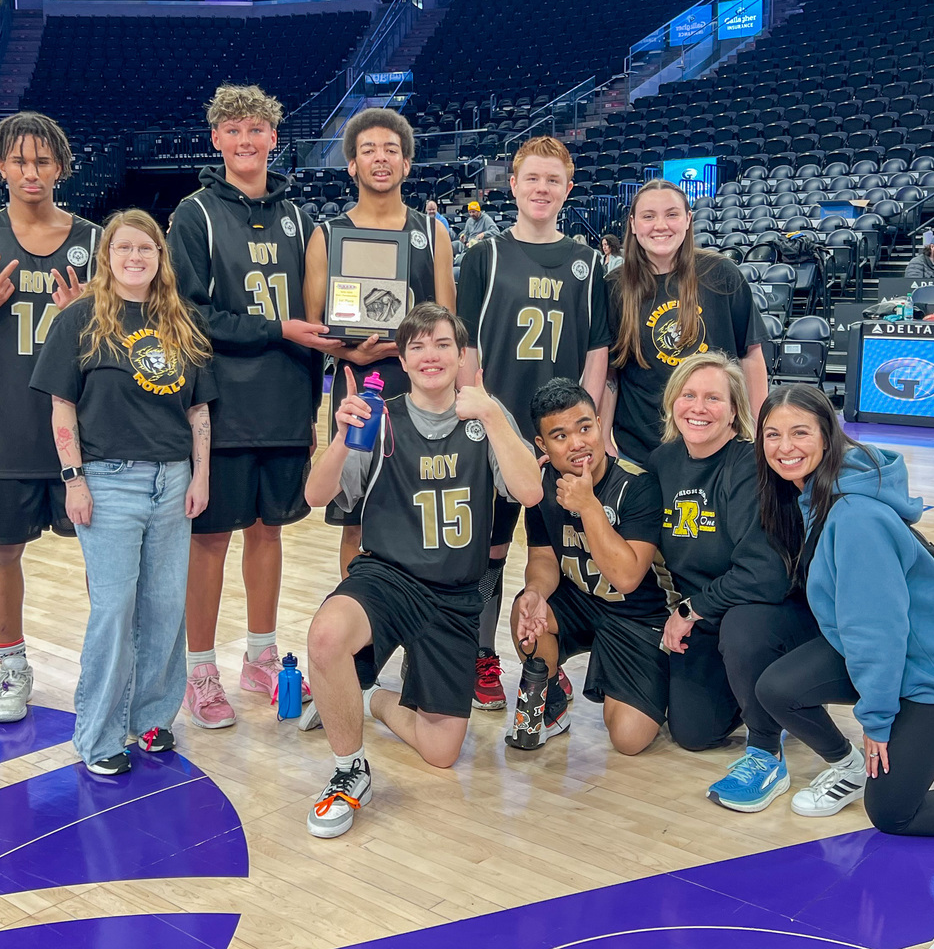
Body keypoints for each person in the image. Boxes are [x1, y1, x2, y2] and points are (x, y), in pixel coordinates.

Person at [301, 303, 542, 839]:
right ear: (403, 362)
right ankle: (349, 770)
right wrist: (340, 433)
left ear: (461, 357)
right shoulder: (380, 417)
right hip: (388, 577)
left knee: (441, 752)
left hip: (456, 594)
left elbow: (529, 491)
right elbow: (317, 496)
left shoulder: (484, 420)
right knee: (325, 636)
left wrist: (495, 414)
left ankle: (368, 696)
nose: (430, 354)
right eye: (417, 346)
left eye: (441, 344)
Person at [168, 84, 339, 730]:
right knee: (210, 537)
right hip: (221, 404)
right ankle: (201, 669)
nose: (245, 140)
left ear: (274, 139)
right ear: (216, 139)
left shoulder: (299, 217)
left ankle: (260, 655)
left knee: (268, 532)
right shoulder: (195, 213)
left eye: (257, 130)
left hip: (286, 399)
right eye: (233, 130)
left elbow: (318, 308)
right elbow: (188, 314)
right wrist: (277, 330)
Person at [30, 210, 214, 775]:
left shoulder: (179, 321)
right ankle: (100, 734)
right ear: (107, 255)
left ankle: (153, 717)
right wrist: (73, 478)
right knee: (113, 609)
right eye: (124, 248)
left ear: (161, 257)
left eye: (147, 248)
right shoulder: (81, 319)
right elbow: (62, 404)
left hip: (173, 480)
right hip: (108, 481)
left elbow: (198, 408)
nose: (135, 257)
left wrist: (200, 474)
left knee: (164, 607)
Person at [754, 384, 934, 834]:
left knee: (892, 812)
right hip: (903, 656)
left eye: (799, 432)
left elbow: (878, 631)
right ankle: (849, 767)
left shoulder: (854, 518)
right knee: (778, 688)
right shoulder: (818, 493)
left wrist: (877, 720)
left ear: (828, 438)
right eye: (772, 435)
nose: (785, 447)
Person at [0, 111, 100, 723]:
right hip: (7, 421)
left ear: (61, 166)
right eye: (19, 160)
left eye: (42, 161)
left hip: (82, 427)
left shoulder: (93, 239)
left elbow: (122, 333)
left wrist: (87, 313)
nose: (30, 172)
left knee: (99, 554)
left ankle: (104, 662)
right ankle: (12, 664)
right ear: (0, 166)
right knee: (4, 549)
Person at [457, 135, 610, 709]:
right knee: (490, 553)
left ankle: (550, 658)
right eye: (532, 179)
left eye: (553, 180)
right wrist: (477, 413)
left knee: (560, 551)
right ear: (513, 185)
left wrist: (583, 433)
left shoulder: (587, 262)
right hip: (500, 434)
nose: (542, 189)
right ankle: (481, 656)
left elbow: (596, 351)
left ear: (567, 189)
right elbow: (466, 344)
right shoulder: (486, 255)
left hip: (559, 439)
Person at [646, 352, 819, 812]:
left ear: (735, 410)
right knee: (693, 732)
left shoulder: (748, 465)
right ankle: (761, 692)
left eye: (713, 398)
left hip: (766, 611)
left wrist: (689, 610)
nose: (698, 408)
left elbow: (764, 575)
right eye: (689, 395)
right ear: (672, 402)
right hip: (704, 615)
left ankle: (766, 744)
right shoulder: (661, 462)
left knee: (743, 628)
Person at [303, 107, 455, 577]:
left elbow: (449, 325)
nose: (381, 158)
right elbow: (314, 328)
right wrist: (352, 352)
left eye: (391, 149)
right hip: (359, 390)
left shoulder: (433, 233)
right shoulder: (327, 236)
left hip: (425, 394)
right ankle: (364, 640)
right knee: (357, 521)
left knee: (422, 512)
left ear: (407, 164)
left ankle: (421, 640)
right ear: (351, 164)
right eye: (368, 149)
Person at [512, 378, 668, 754]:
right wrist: (535, 590)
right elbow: (545, 558)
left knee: (629, 741)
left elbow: (628, 577)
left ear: (600, 424)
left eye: (584, 427)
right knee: (526, 610)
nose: (577, 443)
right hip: (582, 601)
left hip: (638, 616)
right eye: (560, 435)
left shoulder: (639, 485)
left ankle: (659, 681)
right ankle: (552, 697)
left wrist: (588, 506)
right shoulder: (541, 485)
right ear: (542, 445)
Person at [603, 179, 767, 468]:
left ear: (688, 220)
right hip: (641, 453)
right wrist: (603, 438)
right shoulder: (614, 287)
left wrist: (758, 430)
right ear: (632, 224)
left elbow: (750, 355)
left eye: (672, 214)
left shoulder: (722, 274)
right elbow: (610, 376)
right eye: (648, 216)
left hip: (720, 449)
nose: (660, 225)